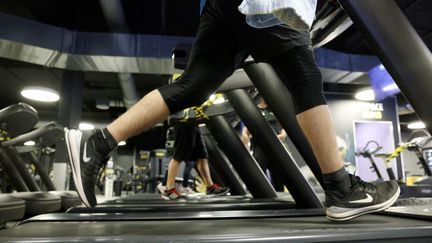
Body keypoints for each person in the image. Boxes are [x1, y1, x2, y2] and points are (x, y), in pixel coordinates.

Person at [65, 0, 400, 221]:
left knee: (192, 87)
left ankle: (99, 142)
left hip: (223, 6)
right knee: (304, 75)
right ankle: (341, 189)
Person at [160, 124, 229, 200]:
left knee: (202, 156)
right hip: (184, 121)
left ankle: (210, 187)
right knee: (178, 156)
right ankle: (169, 190)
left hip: (194, 123)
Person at [242, 99, 286, 192]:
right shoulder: (252, 109)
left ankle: (281, 196)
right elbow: (246, 129)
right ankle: (255, 195)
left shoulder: (273, 108)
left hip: (276, 146)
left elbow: (284, 125)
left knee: (278, 176)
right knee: (258, 175)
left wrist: (283, 134)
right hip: (259, 146)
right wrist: (245, 137)